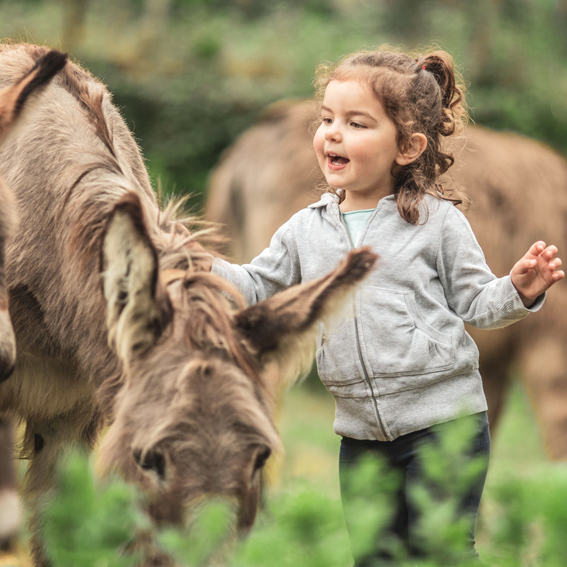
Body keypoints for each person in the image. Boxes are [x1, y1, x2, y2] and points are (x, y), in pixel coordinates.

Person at [209, 48, 564, 564]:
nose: (332, 132)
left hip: (444, 424)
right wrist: (192, 264)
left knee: (440, 550)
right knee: (374, 555)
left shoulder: (437, 222)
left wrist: (519, 289)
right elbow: (254, 283)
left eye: (356, 123)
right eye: (326, 119)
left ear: (407, 147)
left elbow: (476, 302)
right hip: (360, 435)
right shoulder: (306, 229)